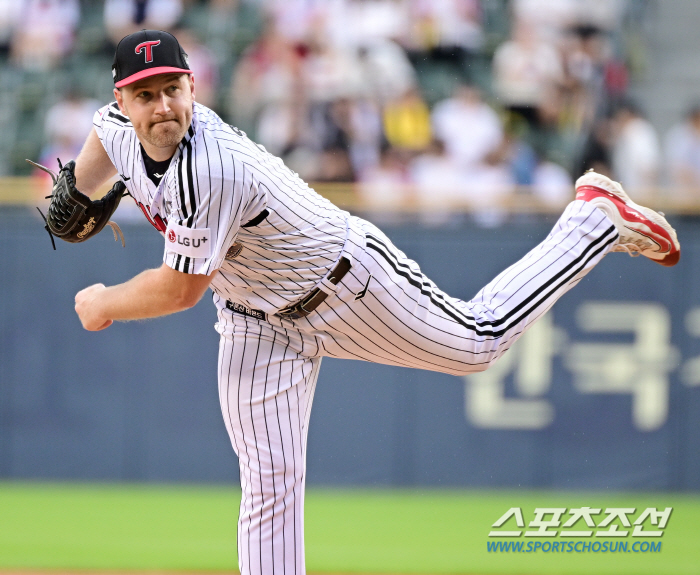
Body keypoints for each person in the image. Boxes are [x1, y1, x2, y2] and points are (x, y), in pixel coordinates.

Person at [72, 30, 680, 575]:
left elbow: (179, 290)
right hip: (253, 319)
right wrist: (77, 185)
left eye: (171, 88)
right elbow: (101, 141)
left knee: (480, 341)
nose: (162, 106)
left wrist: (104, 302)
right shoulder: (116, 125)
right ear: (122, 100)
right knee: (269, 485)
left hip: (342, 282)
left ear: (192, 87)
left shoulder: (210, 168)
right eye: (144, 93)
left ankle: (591, 221)